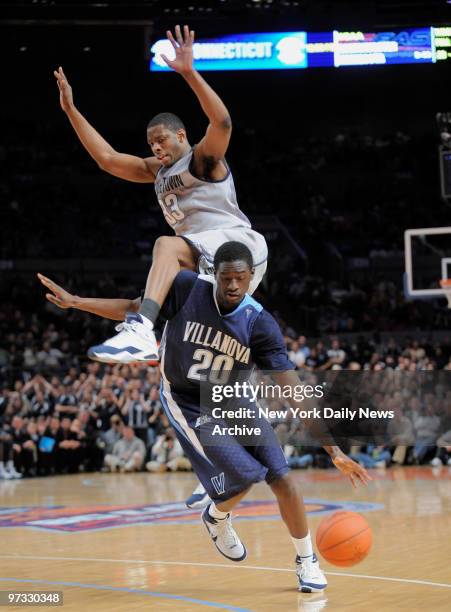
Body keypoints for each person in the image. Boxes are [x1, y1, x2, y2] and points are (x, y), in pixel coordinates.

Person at [38, 242, 370, 592]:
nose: (232, 286)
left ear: (251, 277)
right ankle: (217, 516)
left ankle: (305, 561)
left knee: (282, 478)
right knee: (244, 477)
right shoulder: (184, 288)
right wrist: (77, 302)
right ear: (214, 275)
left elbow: (294, 392)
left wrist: (334, 451)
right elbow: (134, 309)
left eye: (240, 279)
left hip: (234, 399)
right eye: (226, 278)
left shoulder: (259, 324)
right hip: (187, 400)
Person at [52, 24, 267, 365]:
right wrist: (70, 111)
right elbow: (107, 160)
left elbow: (223, 123)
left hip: (238, 246)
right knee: (153, 300)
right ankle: (146, 332)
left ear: (181, 135)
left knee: (165, 245)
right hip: (207, 261)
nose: (155, 146)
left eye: (161, 140)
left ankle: (141, 333)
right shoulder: (156, 170)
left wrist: (190, 73)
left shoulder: (202, 160)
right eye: (150, 143)